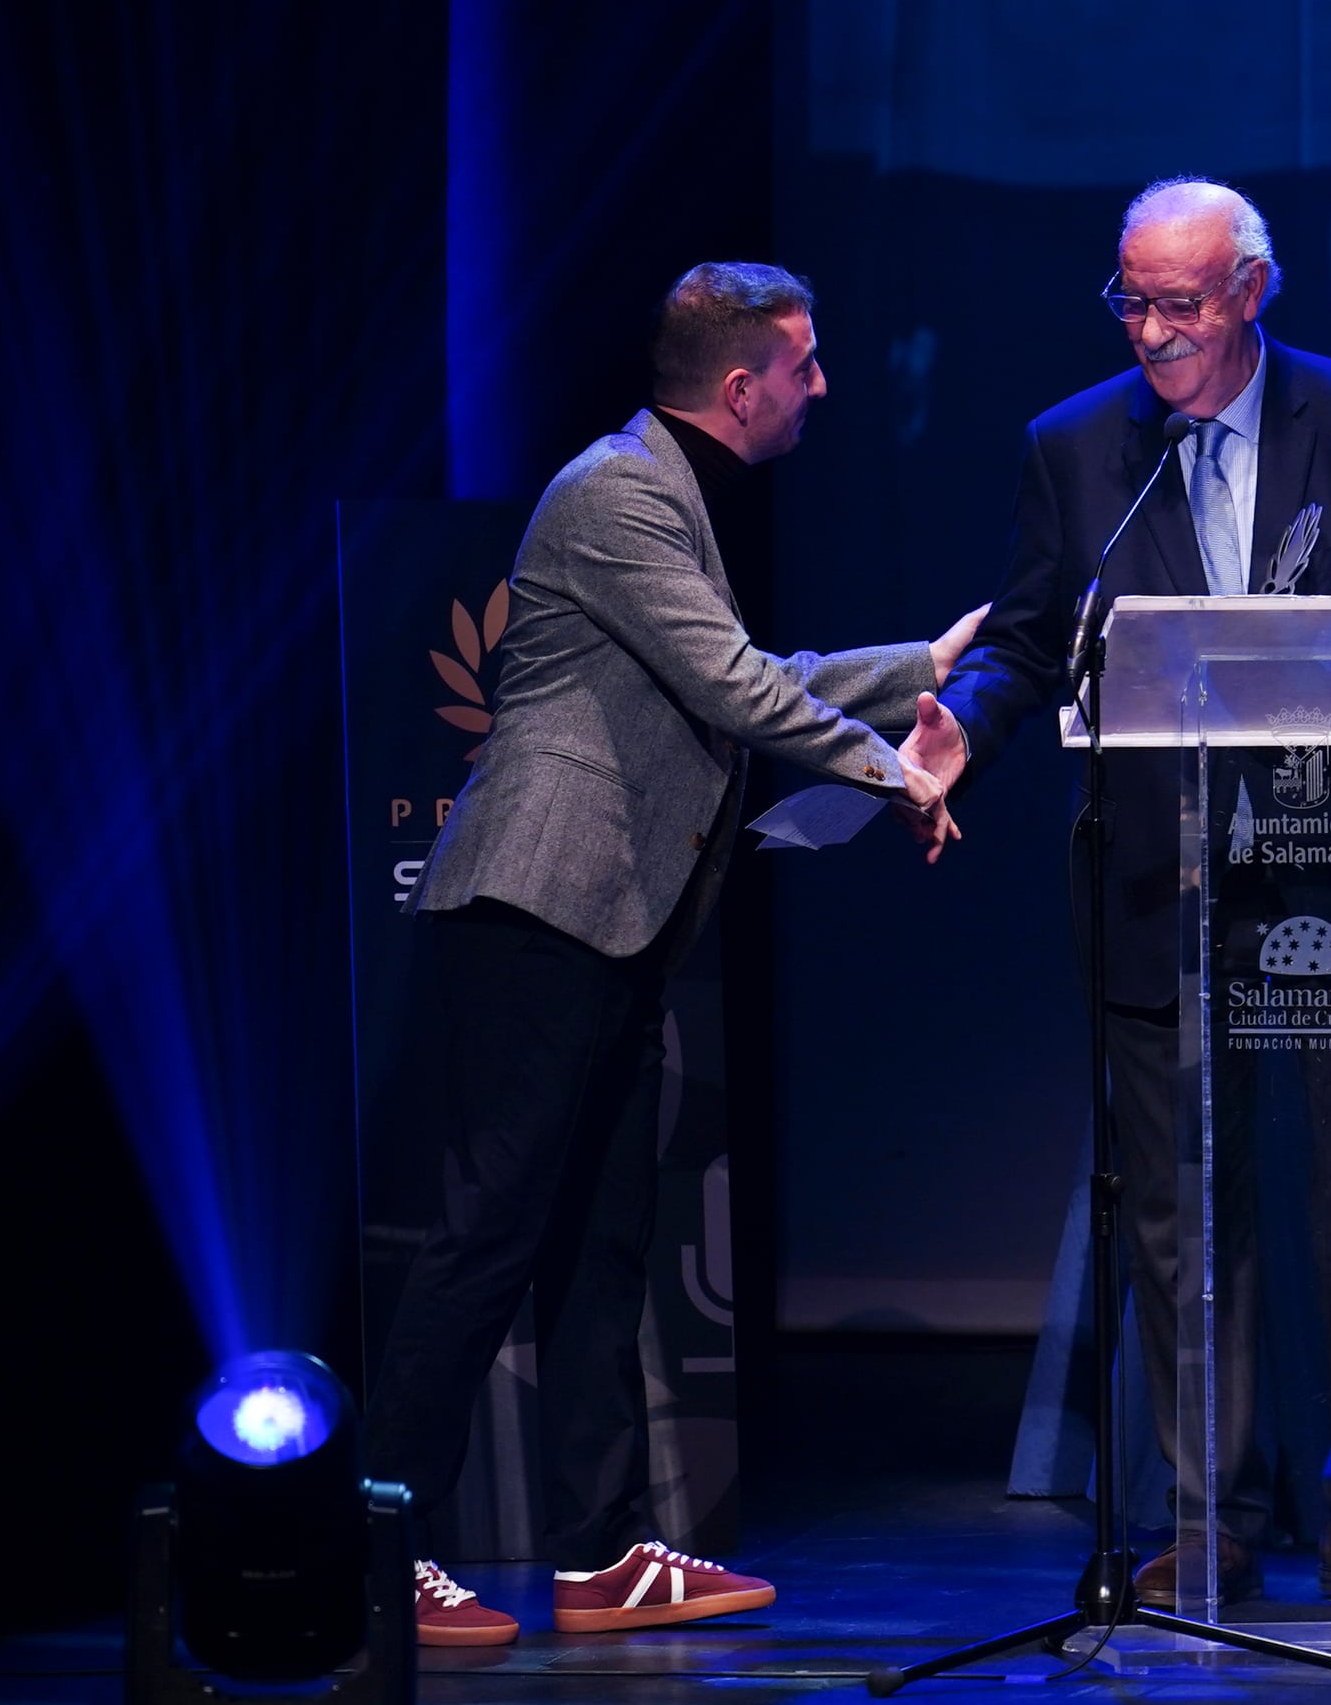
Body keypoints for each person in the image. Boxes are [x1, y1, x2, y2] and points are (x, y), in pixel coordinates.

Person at [367, 262, 981, 1645]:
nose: (825, 387)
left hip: (616, 922)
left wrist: (917, 666)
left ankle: (601, 1554)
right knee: (487, 1236)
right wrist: (897, 773)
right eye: (808, 366)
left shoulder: (666, 495)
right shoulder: (618, 492)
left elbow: (745, 664)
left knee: (601, 1244)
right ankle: (379, 1535)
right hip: (536, 911)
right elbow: (733, 686)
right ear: (742, 385)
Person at [935, 179, 1331, 1607]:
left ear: (1252, 293)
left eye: (1181, 303)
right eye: (1132, 298)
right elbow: (1026, 640)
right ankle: (1210, 1517)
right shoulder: (1077, 450)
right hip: (1159, 885)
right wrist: (962, 734)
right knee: (1186, 1216)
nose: (1152, 329)